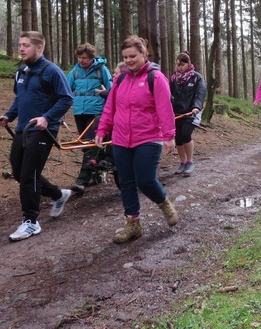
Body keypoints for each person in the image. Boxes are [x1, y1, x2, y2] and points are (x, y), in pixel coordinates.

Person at [95, 36, 178, 244]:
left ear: (143, 54)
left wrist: (169, 136)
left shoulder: (156, 78)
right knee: (126, 181)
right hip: (121, 138)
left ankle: (164, 203)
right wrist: (102, 129)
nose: (129, 60)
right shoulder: (120, 79)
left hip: (148, 137)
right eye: (125, 57)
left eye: (133, 56)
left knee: (145, 179)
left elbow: (165, 109)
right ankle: (133, 224)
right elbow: (110, 108)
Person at [0, 31, 74, 241]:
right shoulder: (21, 71)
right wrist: (9, 116)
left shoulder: (52, 71)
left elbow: (66, 99)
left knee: (29, 175)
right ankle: (58, 195)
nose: (21, 48)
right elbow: (20, 98)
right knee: (20, 173)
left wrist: (47, 118)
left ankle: (31, 221)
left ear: (39, 48)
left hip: (43, 131)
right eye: (20, 44)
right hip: (23, 129)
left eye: (26, 45)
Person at [67, 43, 112, 195]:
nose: (81, 60)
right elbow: (66, 89)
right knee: (86, 146)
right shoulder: (75, 71)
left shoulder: (101, 70)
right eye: (79, 57)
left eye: (84, 58)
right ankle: (96, 173)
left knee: (91, 143)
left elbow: (111, 90)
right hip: (79, 111)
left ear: (91, 58)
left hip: (96, 112)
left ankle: (82, 180)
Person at [170, 52, 207, 176]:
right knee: (178, 137)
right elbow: (168, 94)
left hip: (192, 112)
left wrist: (196, 106)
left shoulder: (196, 77)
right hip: (176, 112)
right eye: (178, 64)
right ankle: (183, 162)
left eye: (182, 64)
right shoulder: (174, 78)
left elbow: (200, 93)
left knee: (186, 134)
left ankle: (190, 161)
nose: (180, 67)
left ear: (188, 63)